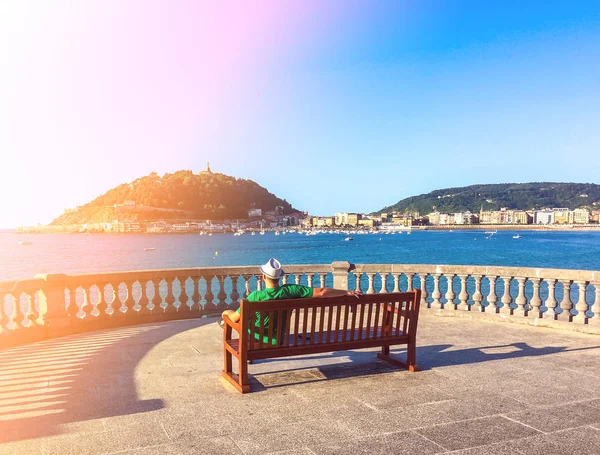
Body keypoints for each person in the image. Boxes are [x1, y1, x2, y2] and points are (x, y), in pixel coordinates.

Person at [220, 258, 361, 343]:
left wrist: (225, 314)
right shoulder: (291, 291)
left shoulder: (255, 296)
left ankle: (221, 321)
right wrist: (345, 292)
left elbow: (234, 318)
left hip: (255, 339)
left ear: (263, 277)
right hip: (279, 340)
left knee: (230, 315)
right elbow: (322, 292)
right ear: (279, 277)